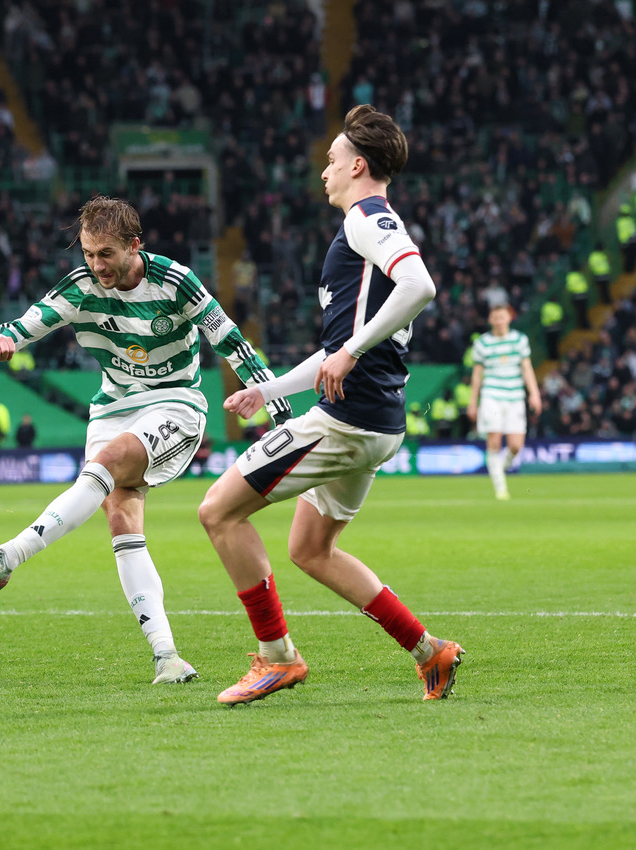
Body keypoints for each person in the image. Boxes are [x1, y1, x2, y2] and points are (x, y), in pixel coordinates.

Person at [0, 196, 291, 685]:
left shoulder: (175, 281)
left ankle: (8, 556)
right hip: (113, 405)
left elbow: (228, 338)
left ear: (135, 245)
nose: (95, 265)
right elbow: (25, 324)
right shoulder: (81, 286)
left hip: (175, 401)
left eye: (105, 253)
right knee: (121, 518)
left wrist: (271, 394)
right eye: (88, 253)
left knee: (109, 463)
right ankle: (167, 657)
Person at [197, 105, 463, 705]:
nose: (325, 169)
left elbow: (421, 286)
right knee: (310, 550)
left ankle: (276, 659)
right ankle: (431, 652)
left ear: (358, 166)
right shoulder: (367, 226)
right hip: (377, 419)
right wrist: (270, 391)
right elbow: (334, 351)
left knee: (218, 511)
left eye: (332, 159)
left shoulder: (368, 219)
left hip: (348, 419)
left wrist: (351, 351)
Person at [467, 304, 542, 500]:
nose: (499, 321)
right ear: (490, 320)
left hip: (515, 396)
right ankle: (500, 489)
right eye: (495, 317)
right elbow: (477, 374)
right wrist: (473, 401)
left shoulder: (519, 340)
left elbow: (527, 368)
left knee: (516, 445)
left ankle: (498, 468)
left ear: (509, 317)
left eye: (502, 317)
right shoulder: (482, 343)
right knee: (494, 439)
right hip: (492, 395)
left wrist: (534, 393)